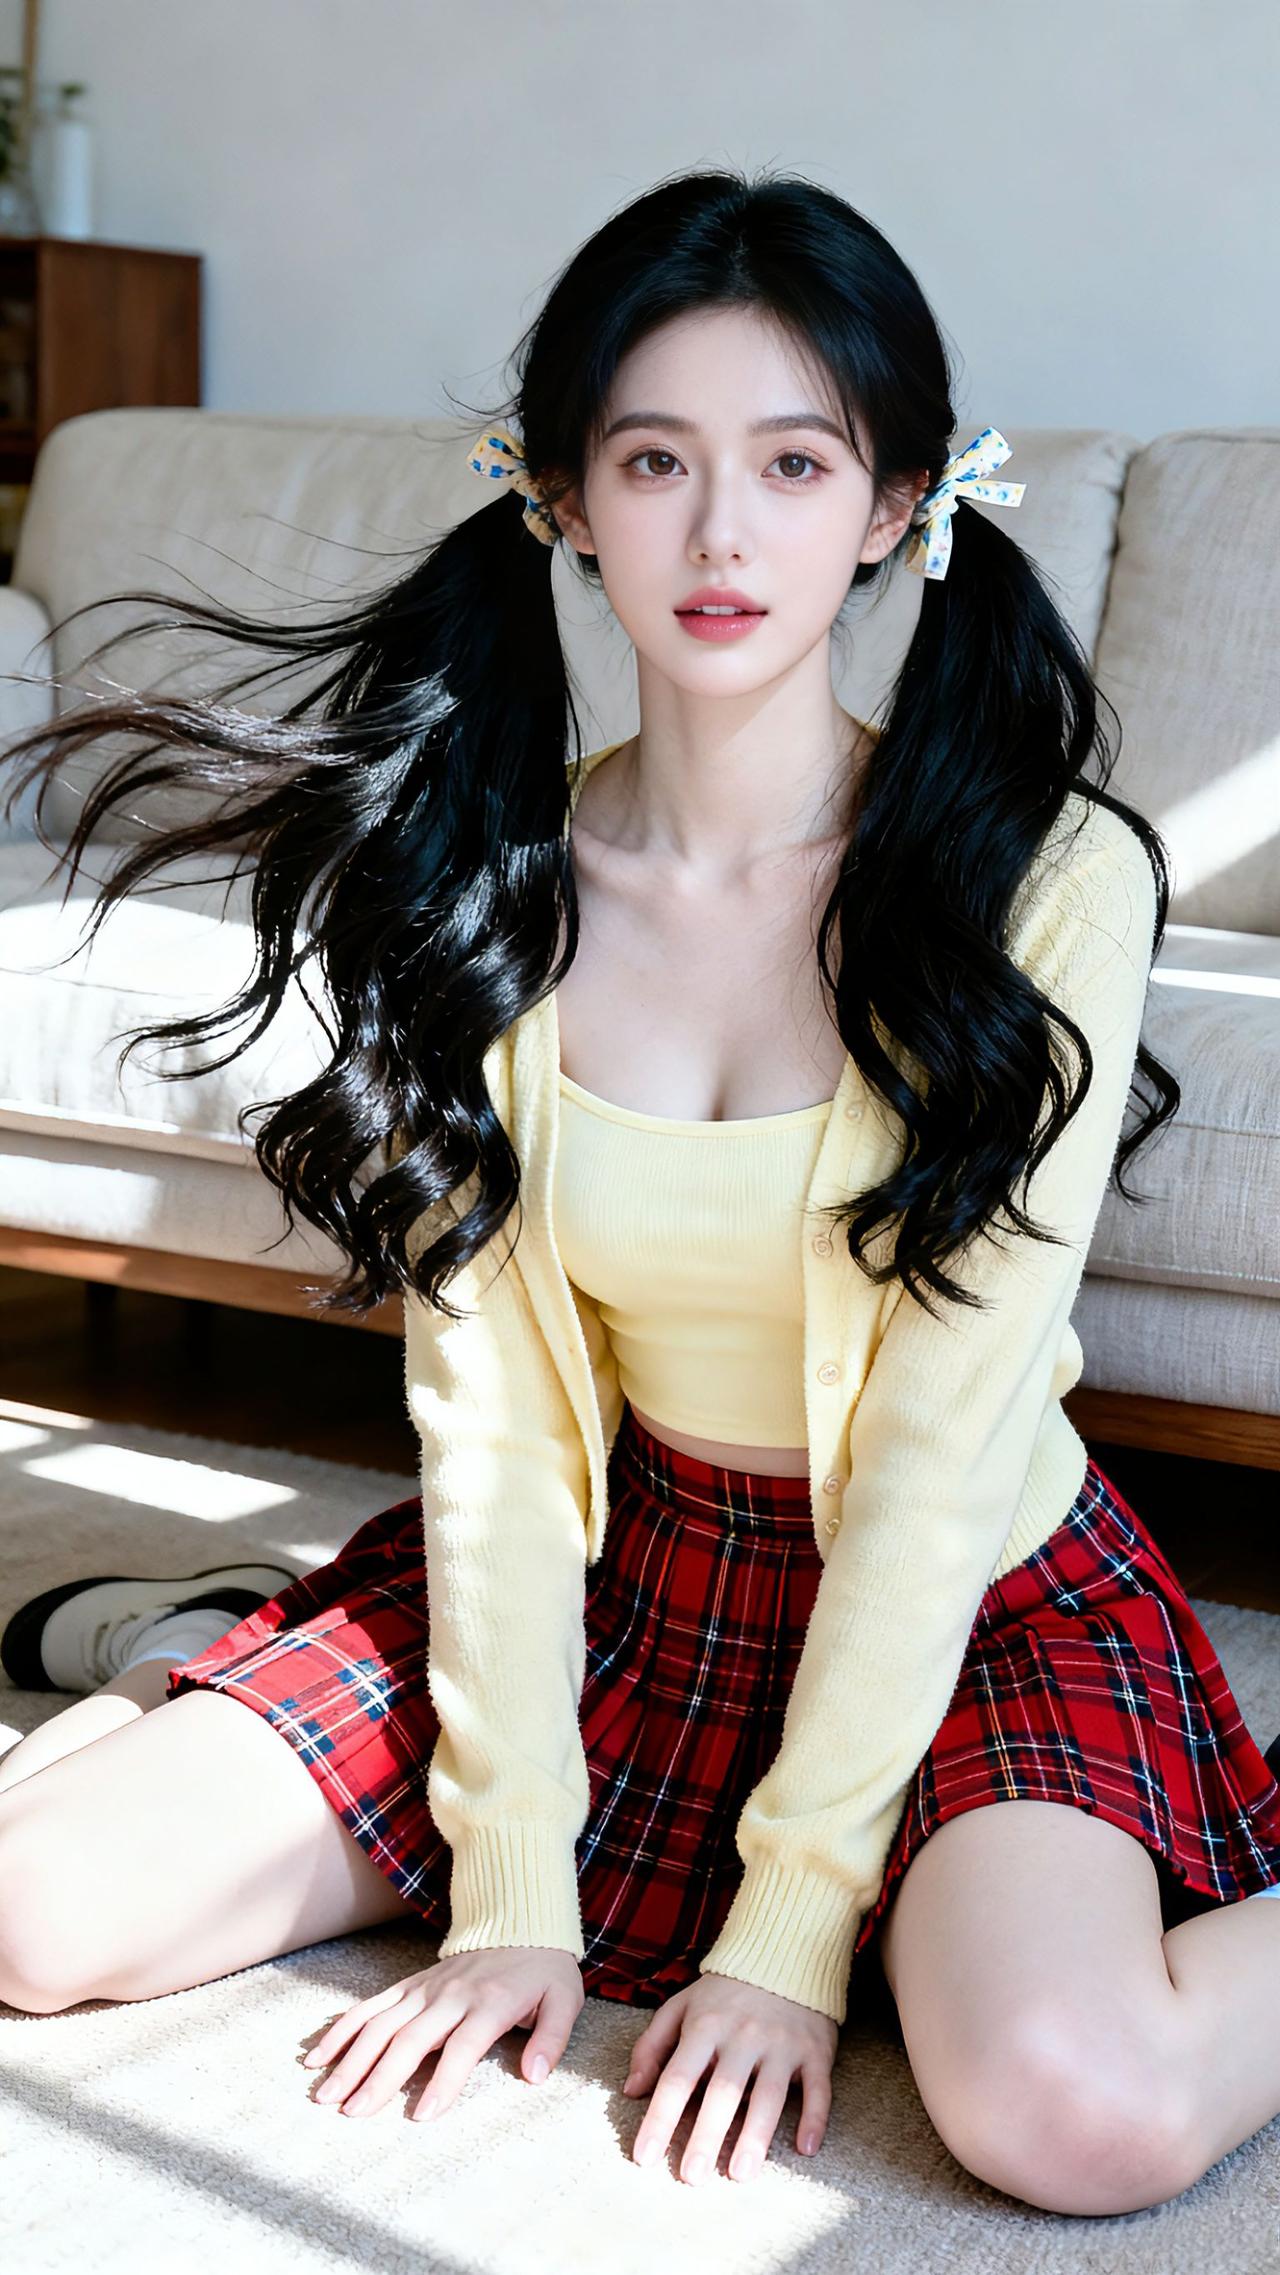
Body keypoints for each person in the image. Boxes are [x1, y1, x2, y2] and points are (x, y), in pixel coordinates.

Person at [1, 165, 1278, 2218]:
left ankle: (246, 1669)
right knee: (40, 1915)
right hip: (625, 1567)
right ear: (566, 501)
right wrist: (510, 1891)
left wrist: (787, 1935)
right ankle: (203, 1642)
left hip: (963, 1587)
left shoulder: (1045, 877)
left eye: (794, 464)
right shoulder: (480, 874)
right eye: (657, 459)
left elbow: (939, 1449)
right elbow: (499, 1422)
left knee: (1078, 2111)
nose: (720, 533)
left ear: (897, 504)